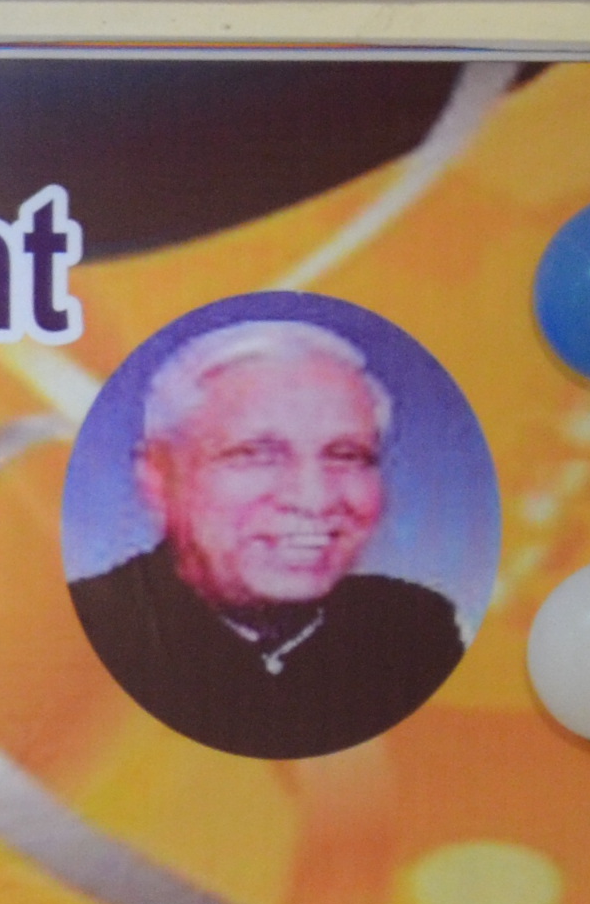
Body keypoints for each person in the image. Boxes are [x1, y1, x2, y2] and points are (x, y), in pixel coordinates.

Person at [67, 315, 470, 761]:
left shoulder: (412, 630)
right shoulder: (86, 637)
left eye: (346, 456)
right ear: (158, 480)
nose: (315, 499)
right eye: (256, 455)